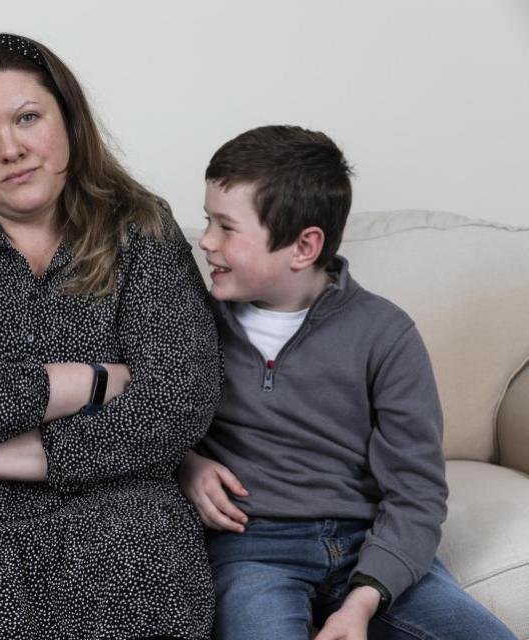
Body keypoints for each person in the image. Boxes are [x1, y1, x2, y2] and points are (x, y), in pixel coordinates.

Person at [0, 33, 222, 639]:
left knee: (148, 569)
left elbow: (179, 398)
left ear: (70, 121)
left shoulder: (140, 226)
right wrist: (87, 381)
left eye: (28, 118)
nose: (11, 150)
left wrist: (30, 454)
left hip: (115, 497)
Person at [178, 125, 517, 640]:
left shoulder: (386, 334)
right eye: (207, 221)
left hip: (370, 544)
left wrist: (363, 601)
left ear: (303, 246)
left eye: (226, 227)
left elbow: (417, 492)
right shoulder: (191, 322)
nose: (205, 241)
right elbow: (145, 417)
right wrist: (189, 464)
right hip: (253, 550)